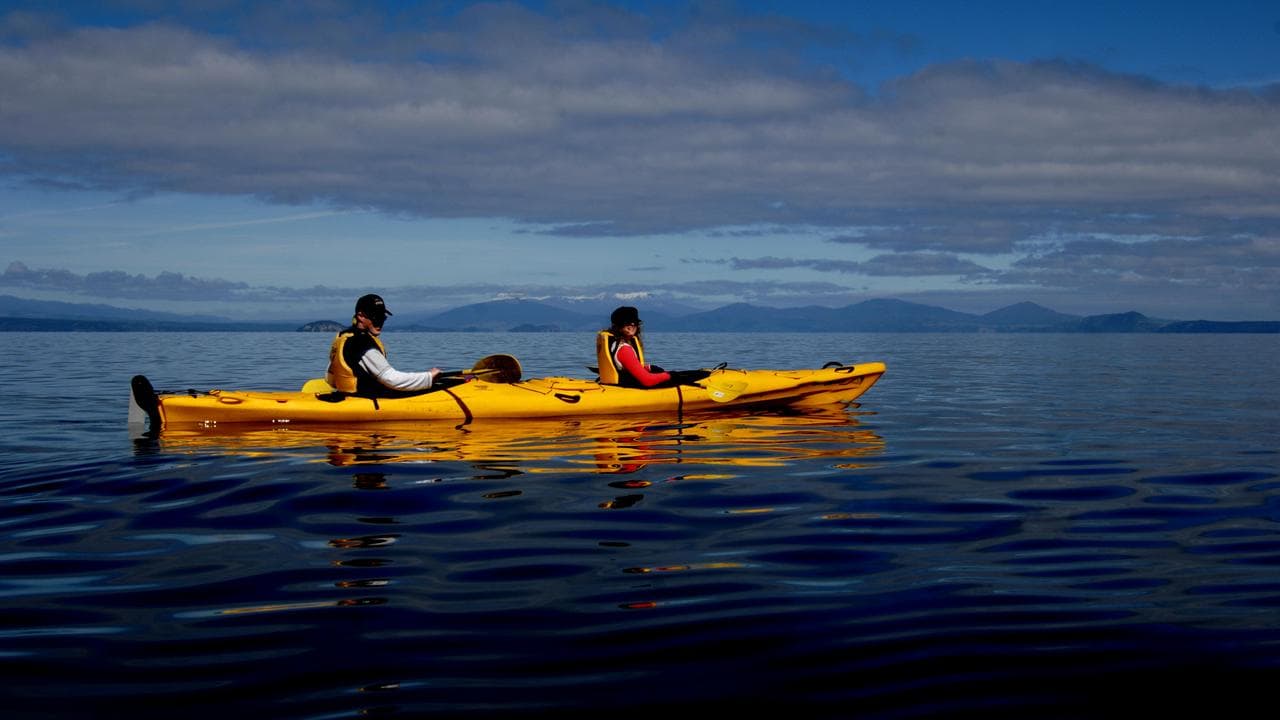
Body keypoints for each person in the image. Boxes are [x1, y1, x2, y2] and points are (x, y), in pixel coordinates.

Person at [326, 294, 442, 396]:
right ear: (360, 316)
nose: (380, 322)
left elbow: (330, 378)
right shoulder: (362, 342)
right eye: (376, 317)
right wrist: (428, 377)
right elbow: (391, 379)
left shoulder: (344, 336)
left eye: (383, 317)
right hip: (366, 399)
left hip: (349, 395)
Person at [596, 306, 685, 388]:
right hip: (626, 388)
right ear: (617, 326)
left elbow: (625, 368)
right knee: (684, 377)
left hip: (617, 385)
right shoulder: (624, 349)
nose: (631, 326)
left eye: (634, 322)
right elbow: (647, 381)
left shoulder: (614, 344)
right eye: (625, 323)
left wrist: (647, 368)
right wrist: (670, 375)